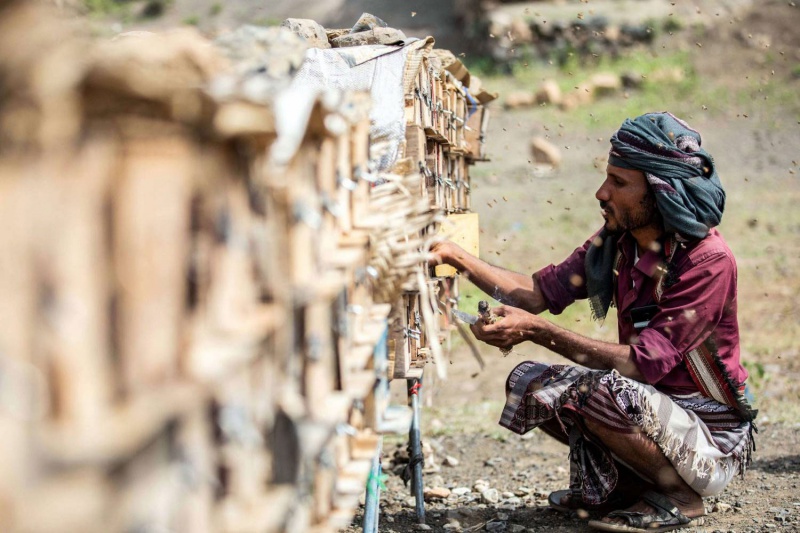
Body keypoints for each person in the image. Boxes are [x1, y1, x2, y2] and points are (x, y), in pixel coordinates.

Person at [432, 112, 756, 533]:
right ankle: (626, 488)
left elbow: (642, 365)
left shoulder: (706, 261)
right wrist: (453, 256)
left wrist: (536, 330)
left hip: (709, 435)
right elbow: (535, 293)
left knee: (599, 390)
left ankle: (680, 497)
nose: (602, 193)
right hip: (653, 412)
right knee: (528, 381)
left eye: (619, 183)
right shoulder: (619, 243)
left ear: (660, 193)